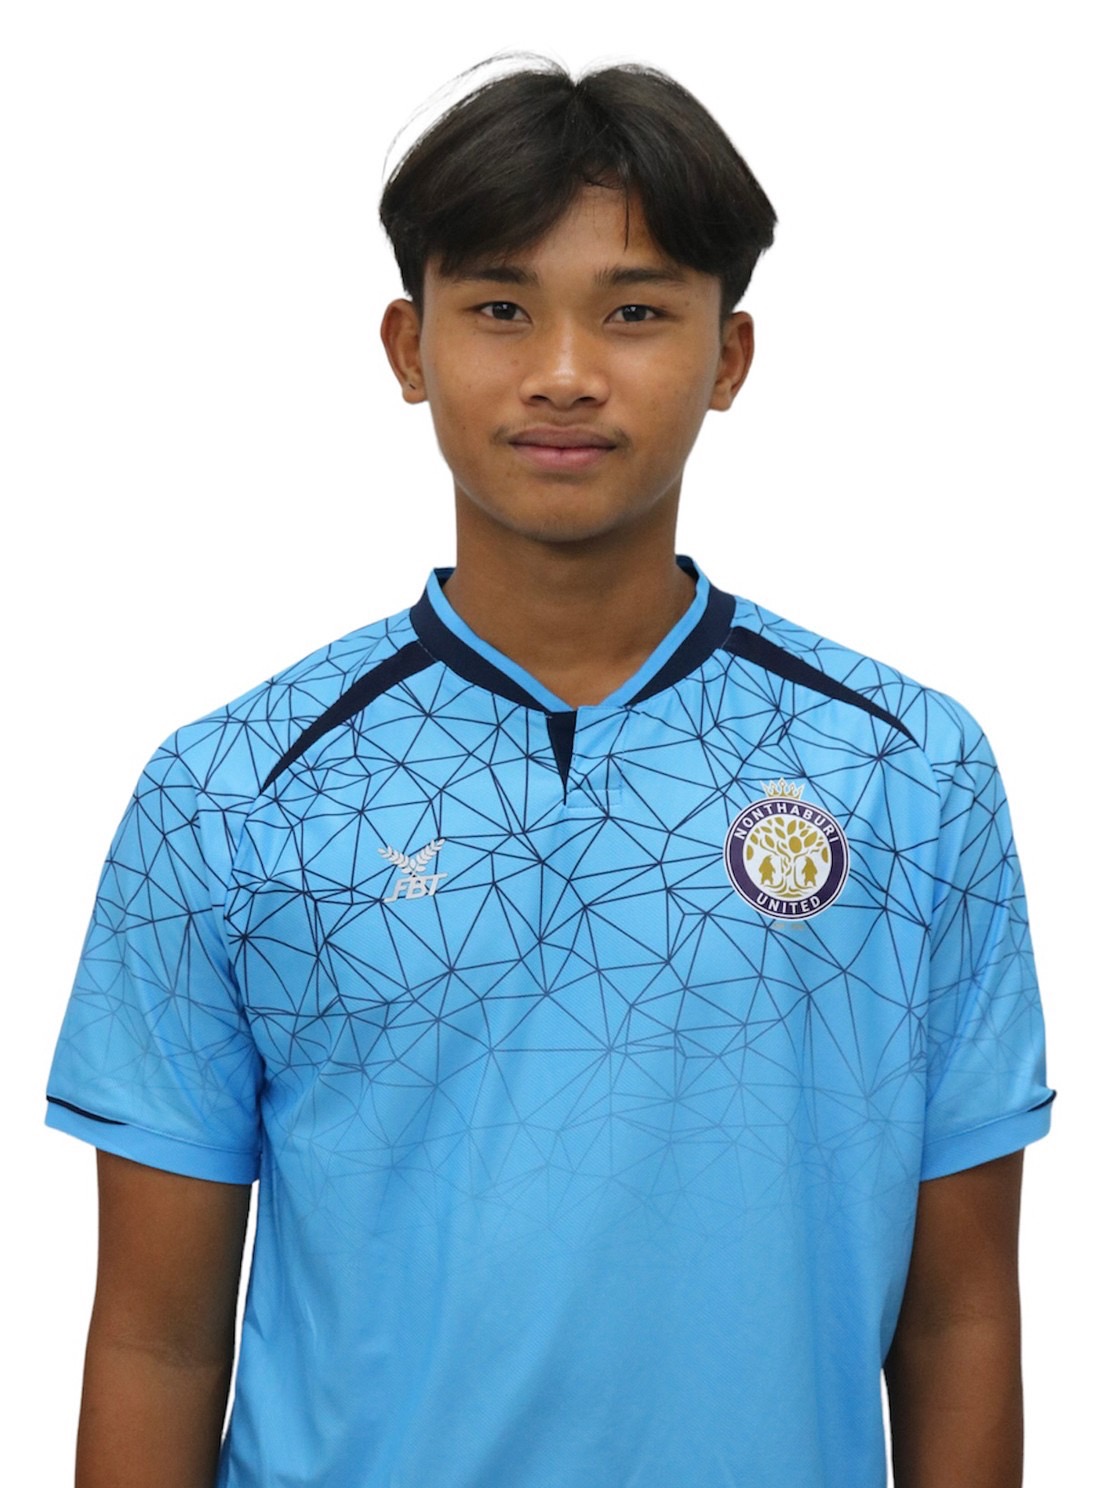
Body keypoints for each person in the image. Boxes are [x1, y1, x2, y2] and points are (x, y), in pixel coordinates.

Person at [46, 60, 1053, 1488]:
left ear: (730, 356)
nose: (566, 371)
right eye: (501, 308)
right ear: (408, 347)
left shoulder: (909, 775)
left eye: (634, 311)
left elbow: (957, 1319)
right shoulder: (228, 797)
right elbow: (156, 1341)